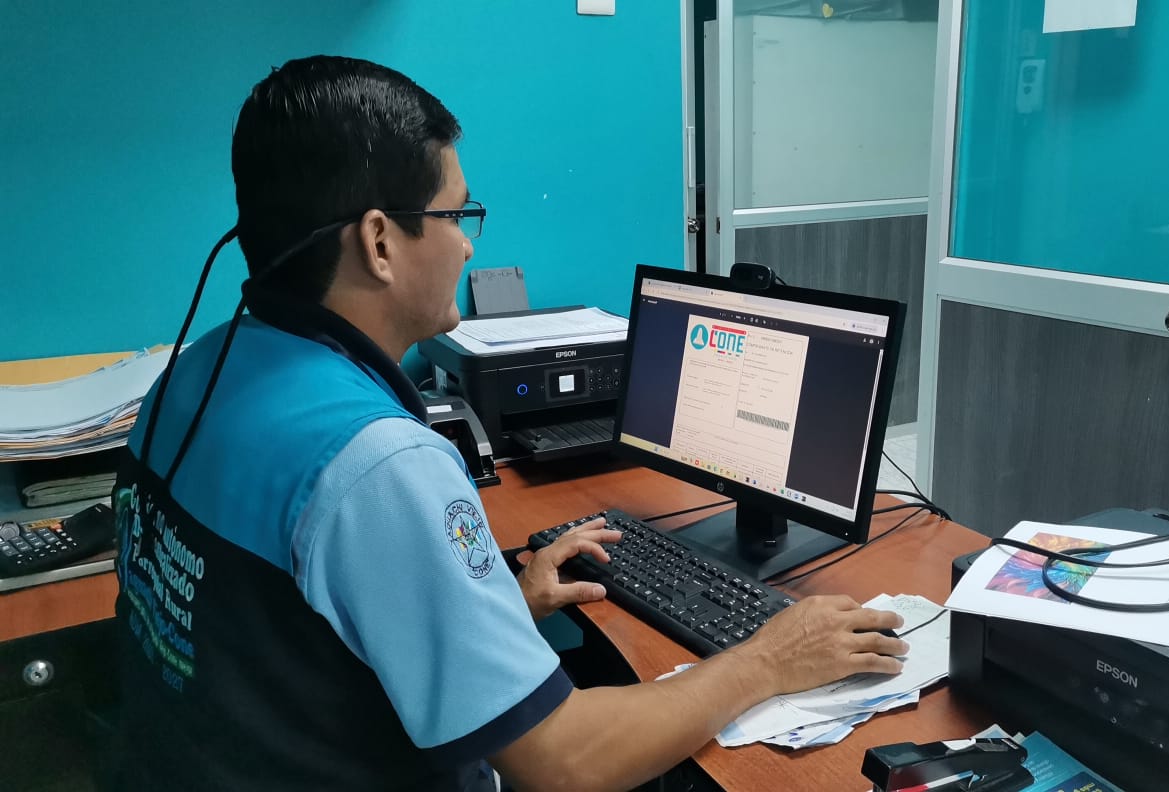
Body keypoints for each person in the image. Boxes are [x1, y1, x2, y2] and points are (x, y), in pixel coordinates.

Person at [111, 55, 907, 792]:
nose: (466, 246)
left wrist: (492, 607)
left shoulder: (195, 372)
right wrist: (767, 659)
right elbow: (562, 760)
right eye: (457, 214)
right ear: (380, 242)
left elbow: (285, 640)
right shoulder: (378, 468)